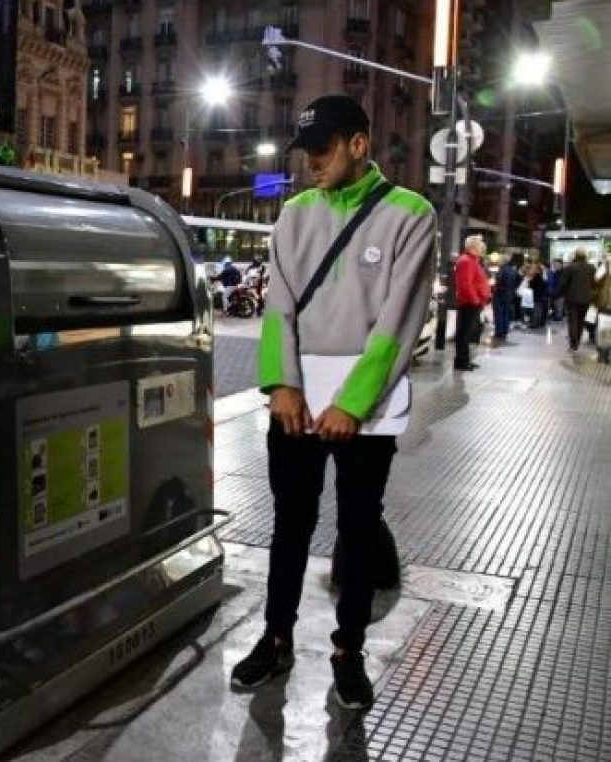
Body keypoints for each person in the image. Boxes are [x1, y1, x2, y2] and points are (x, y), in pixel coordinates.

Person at [232, 94, 435, 710]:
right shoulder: (294, 215)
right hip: (296, 403)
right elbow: (279, 309)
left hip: (363, 411)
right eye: (305, 153)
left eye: (322, 150)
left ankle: (349, 650)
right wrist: (282, 385)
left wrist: (353, 403)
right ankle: (276, 634)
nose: (311, 163)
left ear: (358, 144)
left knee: (356, 528)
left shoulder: (410, 214)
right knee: (289, 525)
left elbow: (399, 319)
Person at [454, 236, 490, 370]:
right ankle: (461, 362)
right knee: (464, 333)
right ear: (473, 248)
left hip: (473, 302)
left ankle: (464, 360)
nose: (483, 250)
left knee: (467, 333)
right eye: (481, 247)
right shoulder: (466, 261)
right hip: (469, 303)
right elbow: (465, 284)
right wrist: (475, 300)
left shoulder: (471, 261)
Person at [559, 249, 597, 352]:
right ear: (585, 256)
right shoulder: (591, 268)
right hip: (586, 300)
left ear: (575, 256)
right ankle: (577, 342)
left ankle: (573, 344)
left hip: (572, 299)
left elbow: (563, 284)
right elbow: (594, 283)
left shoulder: (569, 268)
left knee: (572, 321)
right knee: (580, 321)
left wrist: (563, 294)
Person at [492, 253, 522, 343]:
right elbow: (519, 279)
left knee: (499, 312)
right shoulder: (512, 270)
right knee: (506, 312)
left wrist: (496, 286)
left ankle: (499, 331)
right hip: (509, 294)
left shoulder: (502, 270)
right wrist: (513, 289)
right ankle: (505, 329)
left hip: (500, 294)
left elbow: (498, 281)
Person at [529, 262, 548, 329]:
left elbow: (533, 286)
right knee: (539, 309)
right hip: (541, 296)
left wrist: (530, 281)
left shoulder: (536, 277)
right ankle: (538, 323)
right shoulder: (542, 276)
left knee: (536, 310)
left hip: (537, 295)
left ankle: (534, 324)